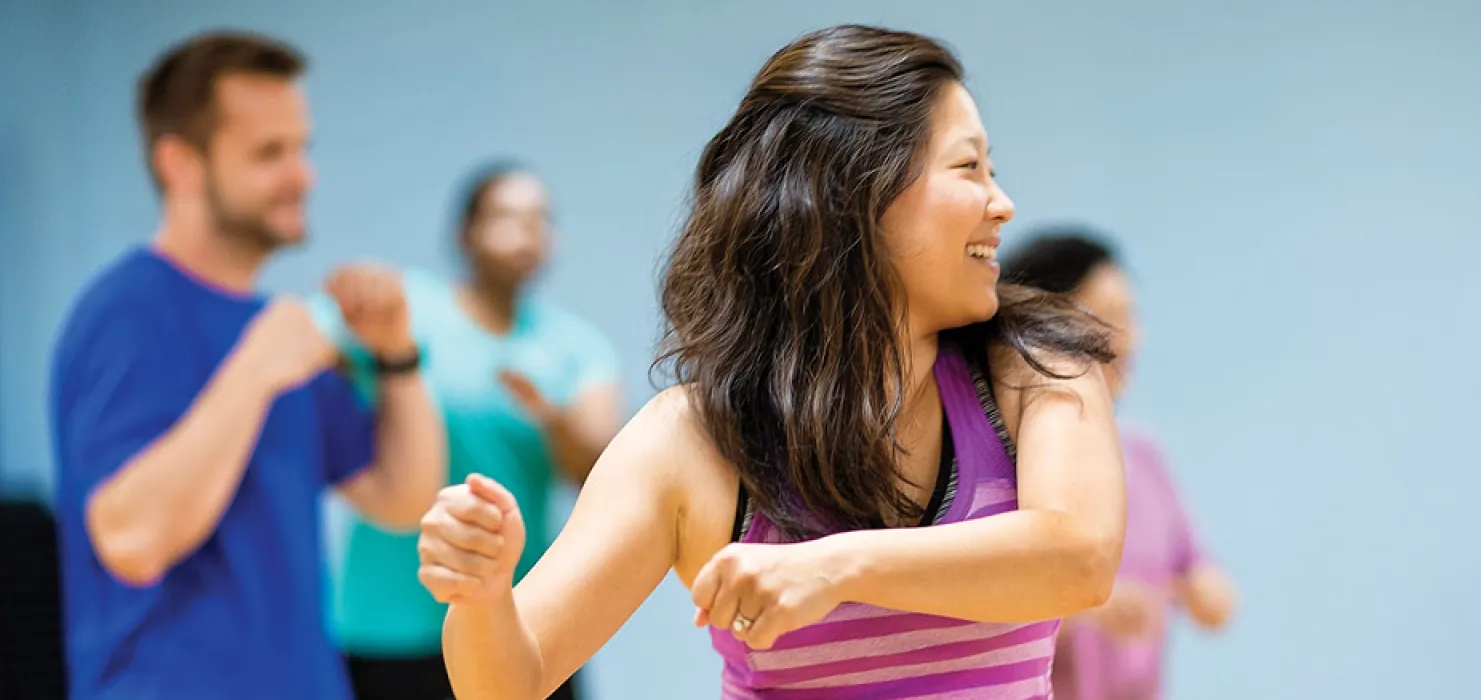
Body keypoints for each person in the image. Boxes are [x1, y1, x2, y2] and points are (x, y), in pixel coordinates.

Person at [412, 25, 1128, 699]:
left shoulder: (1037, 370)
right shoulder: (695, 439)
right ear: (855, 195)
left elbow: (1078, 558)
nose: (1002, 204)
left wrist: (836, 566)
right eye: (968, 166)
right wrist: (481, 597)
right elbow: (509, 681)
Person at [47, 31, 445, 699]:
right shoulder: (129, 310)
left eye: (301, 148)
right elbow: (133, 540)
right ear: (180, 164)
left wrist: (397, 354)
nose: (302, 175)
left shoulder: (274, 326)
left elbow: (401, 498)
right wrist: (255, 371)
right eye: (269, 153)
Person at [321, 164, 619, 700]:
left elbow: (605, 476)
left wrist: (552, 417)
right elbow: (305, 346)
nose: (527, 233)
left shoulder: (574, 349)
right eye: (507, 217)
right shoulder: (406, 312)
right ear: (466, 233)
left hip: (518, 623)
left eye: (539, 220)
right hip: (390, 624)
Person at [1001, 230, 1238, 700]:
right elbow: (979, 611)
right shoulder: (1006, 467)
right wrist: (1090, 610)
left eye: (1130, 317)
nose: (1126, 341)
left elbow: (1199, 570)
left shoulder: (1144, 456)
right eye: (1105, 320)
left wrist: (1204, 591)